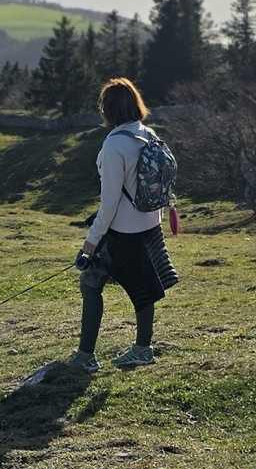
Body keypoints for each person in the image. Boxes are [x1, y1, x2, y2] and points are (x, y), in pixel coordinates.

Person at [68, 76, 178, 372]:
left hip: (122, 232)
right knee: (144, 288)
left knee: (90, 283)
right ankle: (143, 348)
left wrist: (90, 243)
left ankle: (86, 356)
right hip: (150, 224)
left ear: (108, 110)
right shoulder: (148, 134)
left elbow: (109, 203)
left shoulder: (114, 146)